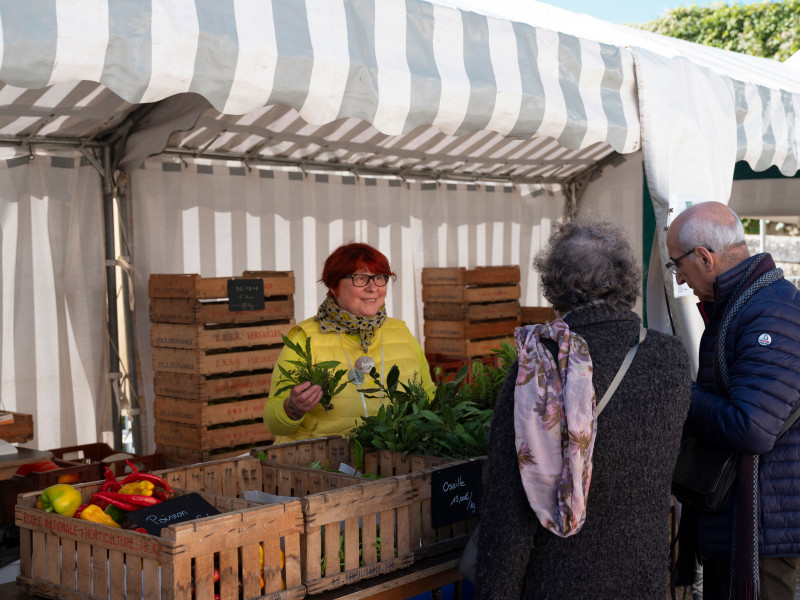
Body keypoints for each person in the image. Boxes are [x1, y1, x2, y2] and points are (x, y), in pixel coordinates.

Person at [475, 216, 692, 599]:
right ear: (626, 279)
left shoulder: (538, 370)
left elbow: (510, 510)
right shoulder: (670, 356)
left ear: (554, 286)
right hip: (642, 574)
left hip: (558, 580)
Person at [666, 201, 800, 600]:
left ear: (704, 257)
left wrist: (677, 393)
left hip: (765, 528)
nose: (680, 277)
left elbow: (752, 427)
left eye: (677, 265)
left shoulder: (769, 311)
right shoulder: (747, 303)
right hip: (754, 519)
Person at [263, 242, 435, 444]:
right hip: (321, 466)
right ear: (333, 286)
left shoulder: (401, 332)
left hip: (392, 463)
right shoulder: (304, 338)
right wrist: (292, 408)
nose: (373, 288)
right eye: (360, 278)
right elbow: (273, 423)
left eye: (379, 278)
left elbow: (429, 398)